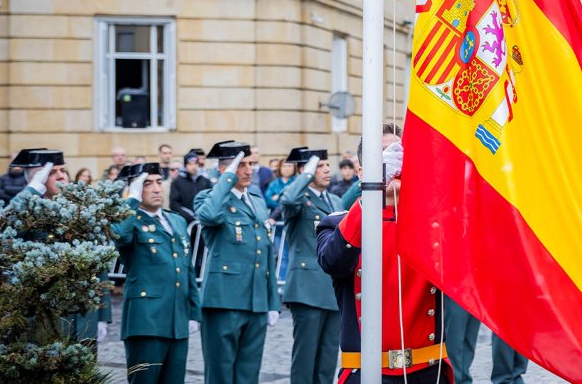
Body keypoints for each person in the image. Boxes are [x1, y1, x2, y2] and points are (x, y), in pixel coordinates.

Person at [317, 133, 451, 384]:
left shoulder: (435, 225)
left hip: (428, 370)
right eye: (381, 157)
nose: (393, 165)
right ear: (360, 171)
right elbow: (333, 261)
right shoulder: (337, 223)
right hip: (367, 373)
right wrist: (373, 187)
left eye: (398, 156)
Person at [193, 141, 280, 384]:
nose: (248, 170)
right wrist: (227, 179)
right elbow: (209, 216)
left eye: (250, 164)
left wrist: (272, 300)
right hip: (224, 300)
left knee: (248, 374)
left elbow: (266, 254)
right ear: (225, 170)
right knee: (220, 373)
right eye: (240, 165)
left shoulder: (256, 200)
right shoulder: (209, 198)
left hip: (256, 301)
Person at [8, 149, 113, 349]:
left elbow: (100, 267)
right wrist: (31, 191)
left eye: (63, 170)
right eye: (52, 172)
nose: (62, 176)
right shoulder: (25, 212)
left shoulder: (82, 212)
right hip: (46, 317)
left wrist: (102, 314)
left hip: (84, 315)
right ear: (36, 179)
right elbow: (5, 230)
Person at [112, 162, 201, 384]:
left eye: (159, 182)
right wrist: (131, 198)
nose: (156, 189)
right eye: (147, 184)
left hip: (177, 321)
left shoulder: (177, 220)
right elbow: (119, 235)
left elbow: (187, 268)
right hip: (146, 321)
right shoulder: (130, 221)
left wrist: (194, 312)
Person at [278, 148, 342, 384]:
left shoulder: (334, 200)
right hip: (306, 289)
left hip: (331, 289)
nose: (327, 170)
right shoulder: (299, 198)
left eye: (327, 165)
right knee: (305, 359)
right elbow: (288, 200)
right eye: (320, 166)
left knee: (327, 359)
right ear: (305, 170)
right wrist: (305, 175)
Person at [170, 150, 211, 222]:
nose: (193, 166)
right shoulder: (177, 181)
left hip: (203, 220)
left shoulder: (205, 181)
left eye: (195, 163)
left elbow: (210, 199)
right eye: (190, 164)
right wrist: (188, 216)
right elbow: (174, 204)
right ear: (185, 165)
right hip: (185, 221)